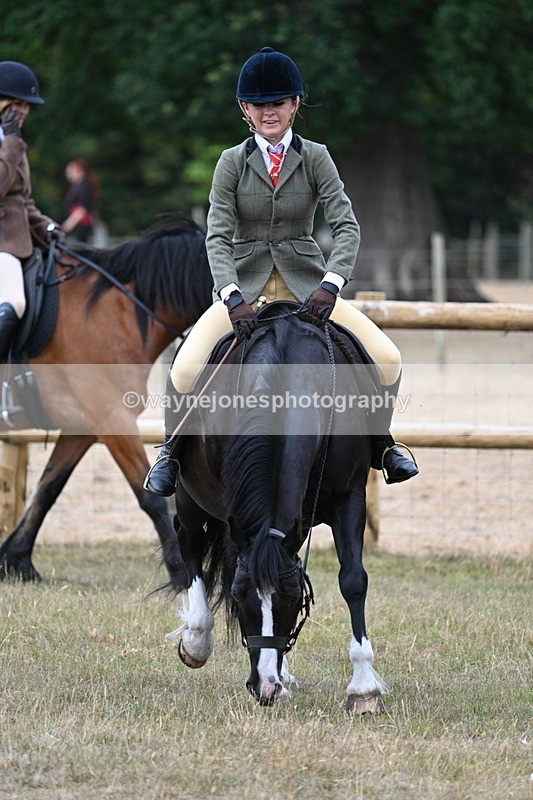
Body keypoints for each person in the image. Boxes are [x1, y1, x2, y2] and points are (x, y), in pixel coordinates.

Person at [145, 46, 418, 495]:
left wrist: (331, 283)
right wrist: (231, 294)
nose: (268, 112)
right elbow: (216, 235)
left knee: (388, 358)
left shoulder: (316, 158)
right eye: (258, 104)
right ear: (244, 110)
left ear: (295, 105)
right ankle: (171, 453)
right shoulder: (231, 162)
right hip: (245, 287)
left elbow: (346, 225)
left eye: (277, 103)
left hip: (309, 285)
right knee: (184, 369)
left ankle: (381, 446)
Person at [0, 60, 64, 363]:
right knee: (13, 301)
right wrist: (11, 144)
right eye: (16, 103)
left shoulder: (14, 143)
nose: (23, 111)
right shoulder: (12, 143)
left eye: (26, 105)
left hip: (21, 245)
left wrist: (48, 227)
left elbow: (22, 202)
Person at [62, 158, 98, 243]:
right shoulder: (78, 187)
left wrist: (67, 225)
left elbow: (81, 210)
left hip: (80, 226)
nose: (68, 174)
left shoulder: (83, 187)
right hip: (79, 226)